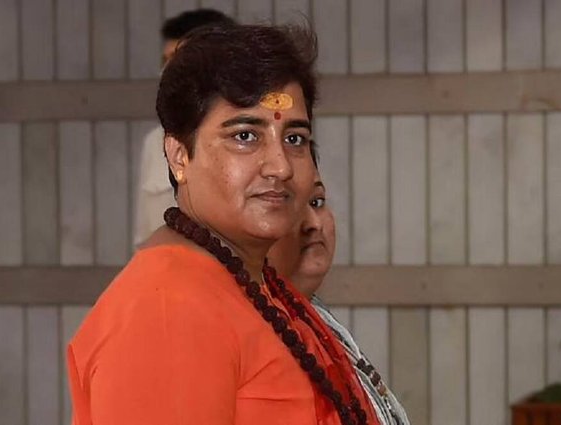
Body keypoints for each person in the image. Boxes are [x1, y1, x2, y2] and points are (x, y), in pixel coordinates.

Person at [68, 24, 379, 425]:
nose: (281, 166)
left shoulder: (259, 287)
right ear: (179, 156)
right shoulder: (167, 311)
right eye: (245, 136)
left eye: (295, 139)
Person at [269, 171, 411, 425]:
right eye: (287, 205)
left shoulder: (320, 321)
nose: (313, 223)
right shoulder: (254, 331)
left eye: (316, 202)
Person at [134, 8, 236, 248]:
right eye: (165, 61)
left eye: (178, 59)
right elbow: (143, 238)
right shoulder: (155, 141)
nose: (168, 71)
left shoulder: (252, 138)